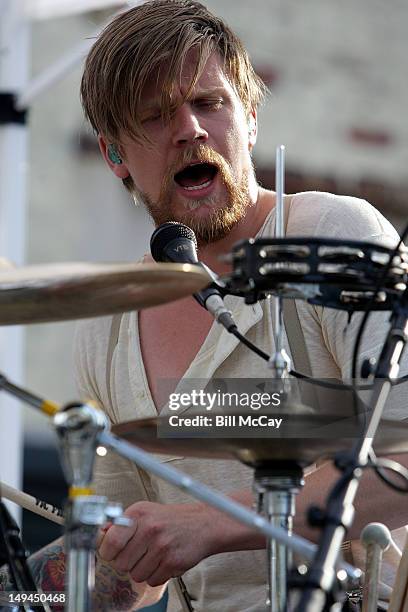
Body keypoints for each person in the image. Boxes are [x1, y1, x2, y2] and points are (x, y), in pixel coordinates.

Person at [1, 1, 407, 610]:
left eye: (209, 103)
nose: (189, 128)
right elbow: (132, 571)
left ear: (249, 120)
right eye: (157, 115)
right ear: (115, 156)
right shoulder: (109, 322)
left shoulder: (333, 233)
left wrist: (214, 522)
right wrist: (27, 592)